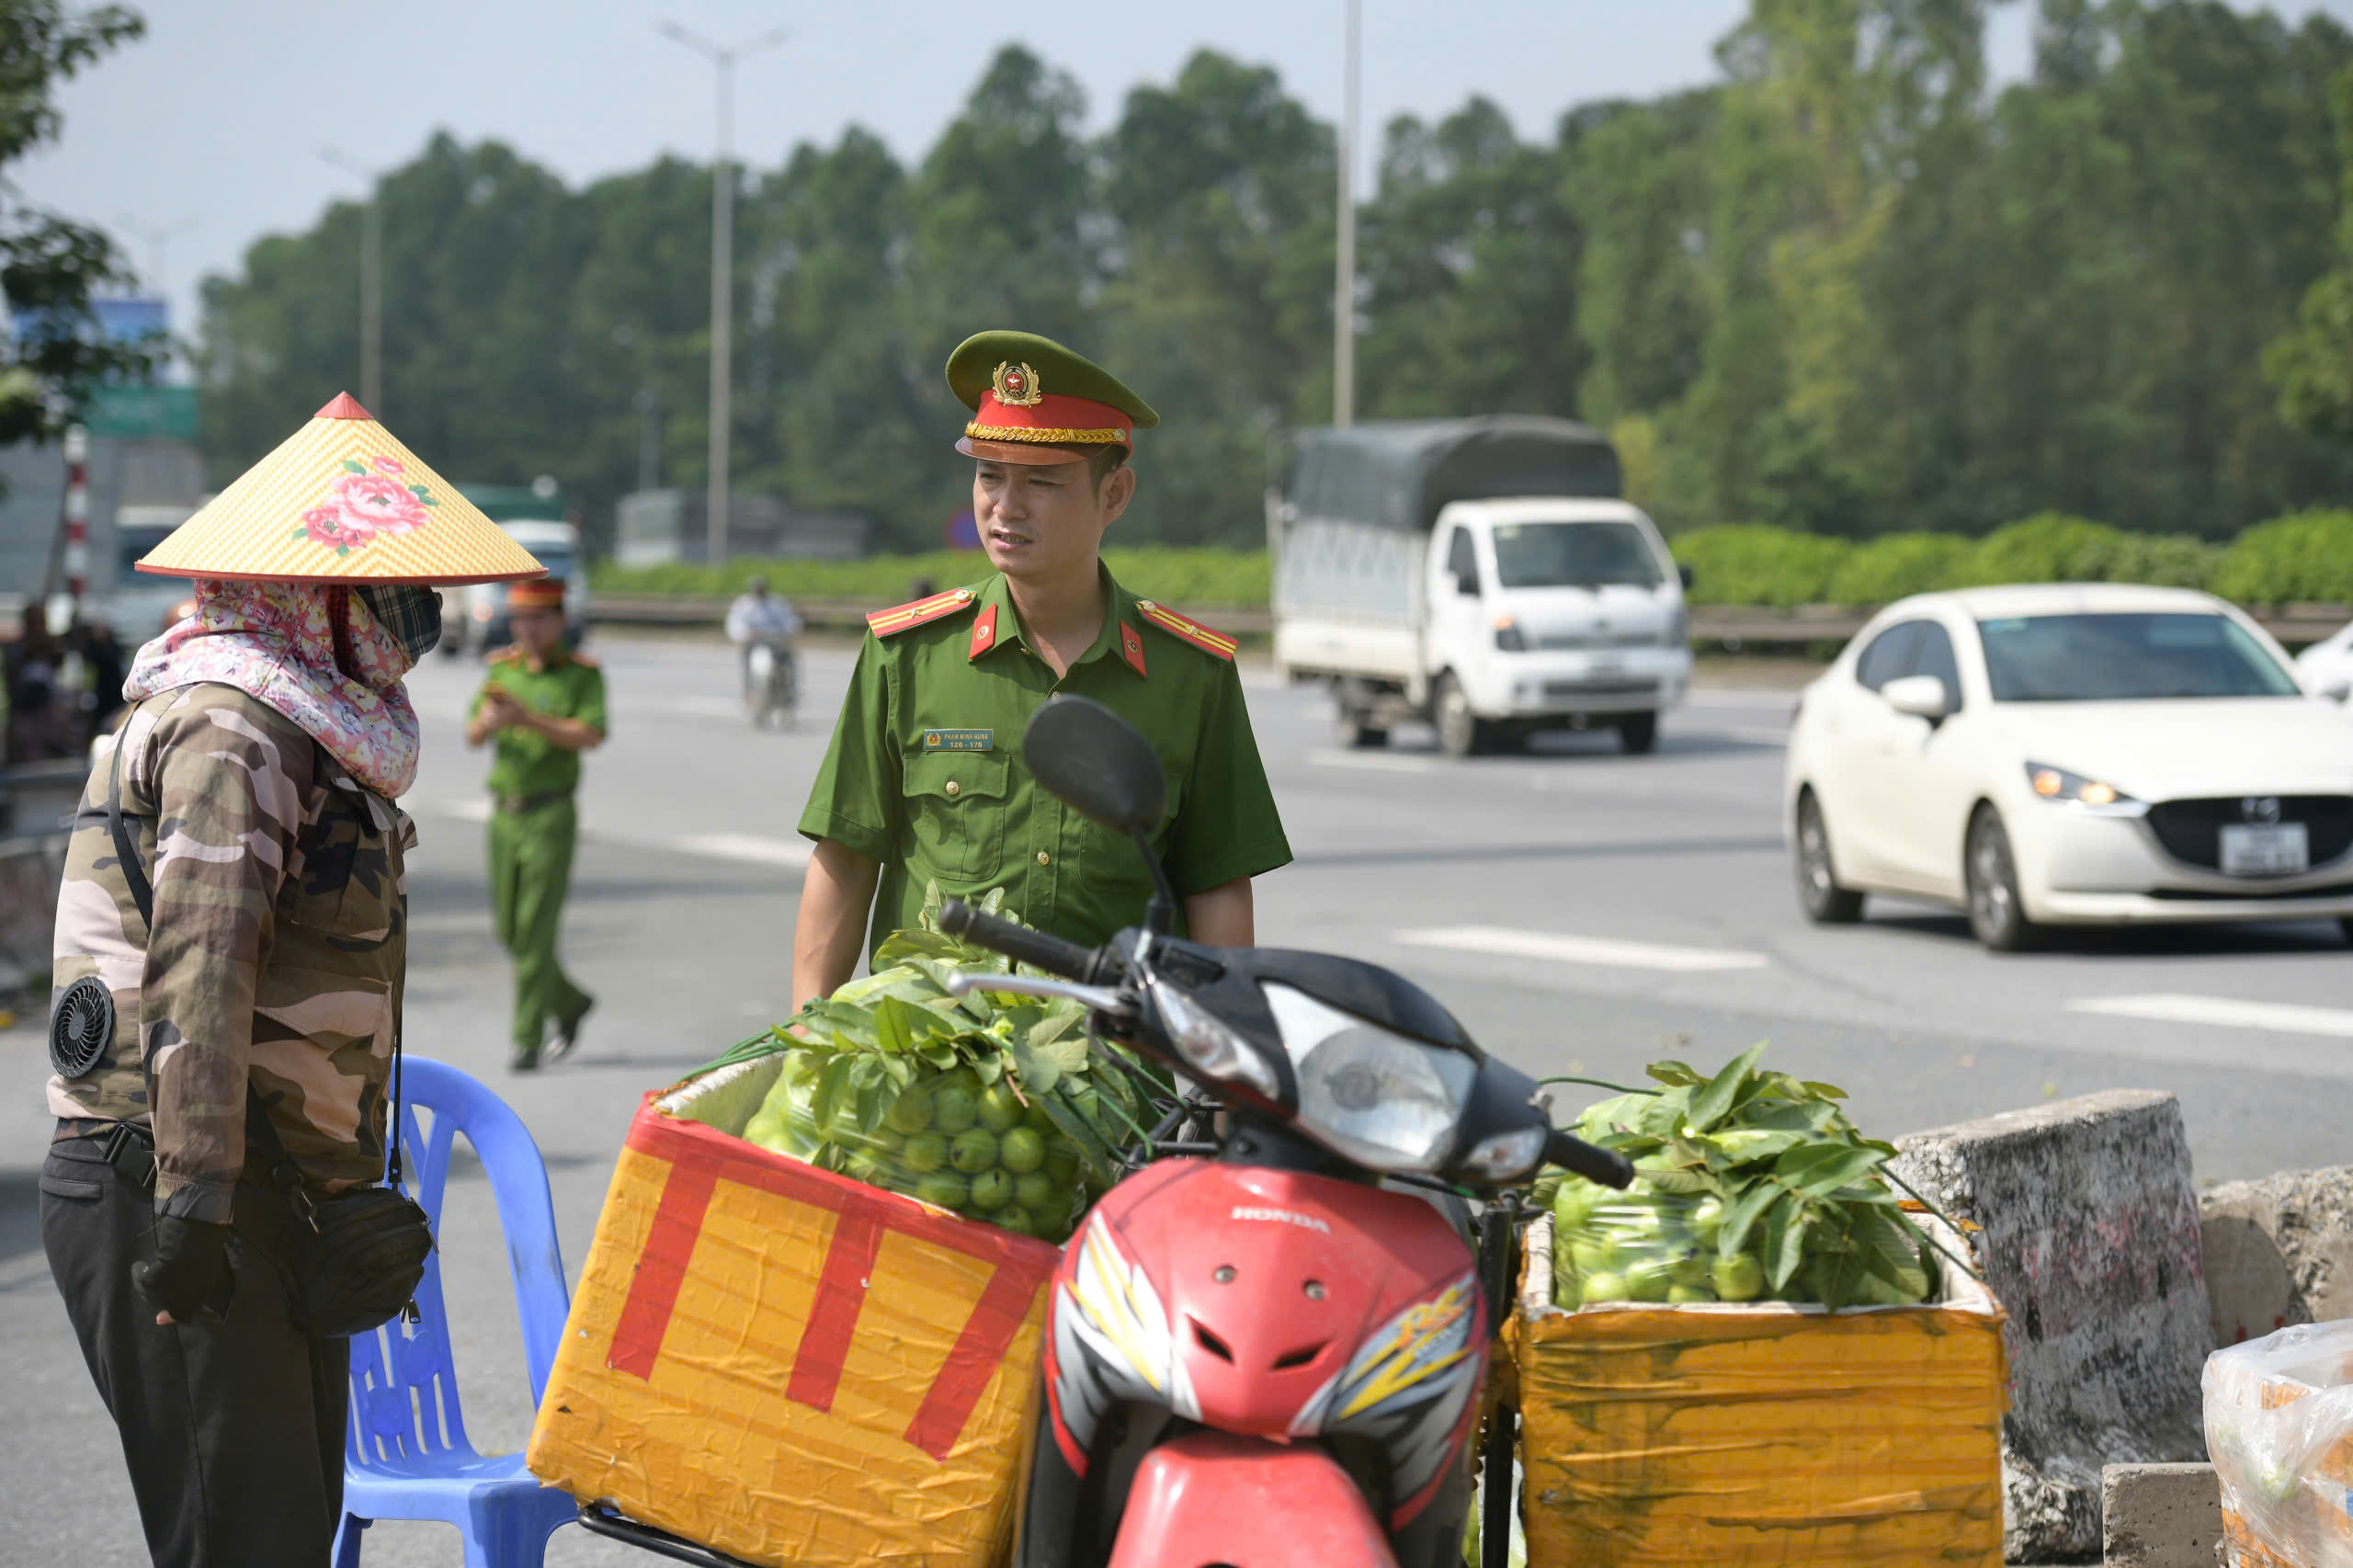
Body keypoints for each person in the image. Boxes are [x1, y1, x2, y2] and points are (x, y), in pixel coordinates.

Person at [40, 391, 544, 1567]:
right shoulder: (237, 729)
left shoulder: (299, 722)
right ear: (313, 595)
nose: (417, 615)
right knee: (244, 1542)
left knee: (280, 1534)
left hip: (257, 1191)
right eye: (389, 589)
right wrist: (196, 1209)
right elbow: (202, 973)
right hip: (176, 1186)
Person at [790, 331, 1291, 1008]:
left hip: (1113, 1054)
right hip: (932, 1048)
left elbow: (1217, 886)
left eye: (1041, 481)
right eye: (989, 475)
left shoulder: (1190, 676)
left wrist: (1223, 1052)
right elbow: (846, 857)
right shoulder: (907, 655)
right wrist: (808, 1029)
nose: (1006, 505)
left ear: (1114, 495)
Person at [468, 575, 607, 1072]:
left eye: (539, 619)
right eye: (520, 619)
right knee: (510, 930)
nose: (528, 629)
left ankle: (526, 1038)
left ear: (560, 621)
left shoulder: (581, 675)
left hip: (551, 813)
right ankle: (568, 1001)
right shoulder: (502, 671)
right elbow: (473, 734)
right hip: (505, 813)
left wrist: (528, 720)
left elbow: (590, 733)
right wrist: (489, 721)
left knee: (535, 930)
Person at [724, 574, 802, 704]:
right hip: (752, 643)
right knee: (747, 664)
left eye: (761, 589)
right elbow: (734, 624)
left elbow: (790, 620)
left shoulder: (776, 603)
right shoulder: (743, 605)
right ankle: (749, 693)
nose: (759, 592)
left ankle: (790, 691)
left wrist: (787, 631)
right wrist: (746, 634)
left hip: (774, 642)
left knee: (788, 660)